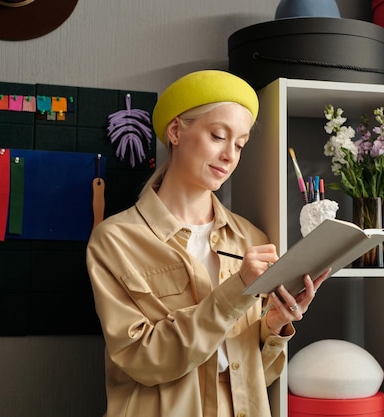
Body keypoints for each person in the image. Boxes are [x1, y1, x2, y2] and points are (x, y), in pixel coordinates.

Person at [86, 70, 330, 417]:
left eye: (240, 144)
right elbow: (142, 359)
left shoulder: (251, 239)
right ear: (175, 131)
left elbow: (262, 374)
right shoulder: (115, 241)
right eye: (218, 135)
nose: (230, 155)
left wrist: (274, 326)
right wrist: (236, 290)